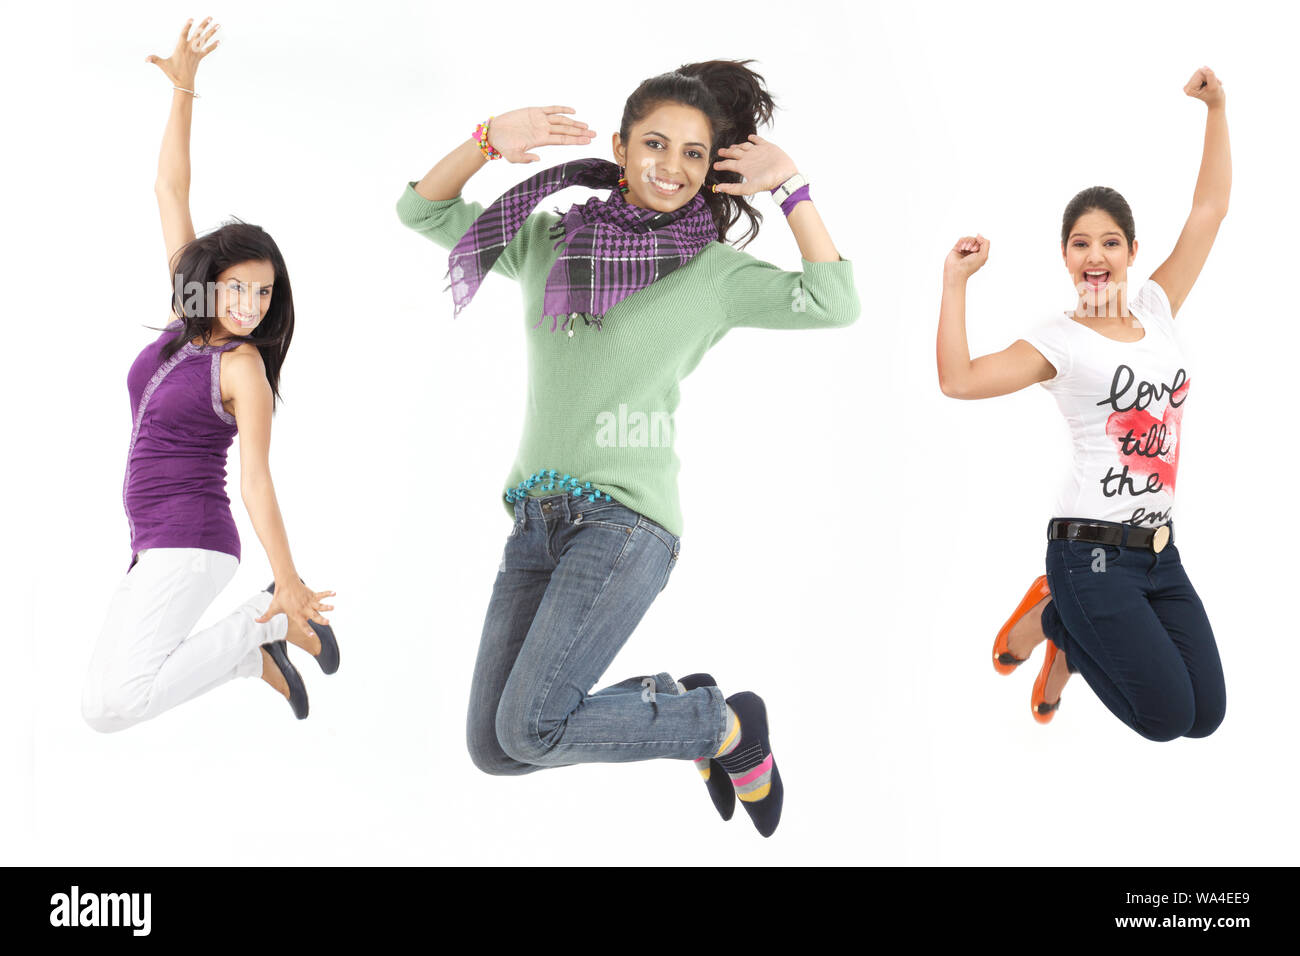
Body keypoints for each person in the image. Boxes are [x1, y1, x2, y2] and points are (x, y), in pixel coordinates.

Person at [395, 60, 859, 835]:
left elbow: (834, 302)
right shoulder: (550, 243)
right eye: (654, 144)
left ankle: (723, 726)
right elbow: (422, 211)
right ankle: (683, 710)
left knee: (531, 727)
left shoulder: (714, 274)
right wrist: (486, 140)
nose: (671, 168)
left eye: (693, 154)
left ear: (714, 169)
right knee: (496, 748)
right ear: (619, 145)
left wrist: (790, 187)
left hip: (626, 524)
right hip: (534, 522)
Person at [936, 67, 1230, 742]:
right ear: (1066, 256)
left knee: (1205, 717)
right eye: (1080, 243)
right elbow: (959, 379)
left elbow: (1209, 211)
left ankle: (1059, 627)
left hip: (1160, 553)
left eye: (1109, 242)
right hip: (1088, 555)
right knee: (1165, 719)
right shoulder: (1059, 341)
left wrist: (1218, 108)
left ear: (1131, 252)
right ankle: (1060, 621)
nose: (1095, 256)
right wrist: (956, 283)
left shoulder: (1157, 308)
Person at [82, 17, 339, 732]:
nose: (253, 306)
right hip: (152, 541)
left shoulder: (243, 366)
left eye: (264, 294)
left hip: (192, 540)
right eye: (240, 289)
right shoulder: (184, 324)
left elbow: (256, 478)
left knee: (111, 708)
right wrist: (184, 89)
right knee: (99, 695)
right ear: (209, 285)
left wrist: (287, 579)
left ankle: (266, 623)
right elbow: (169, 189)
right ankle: (254, 655)